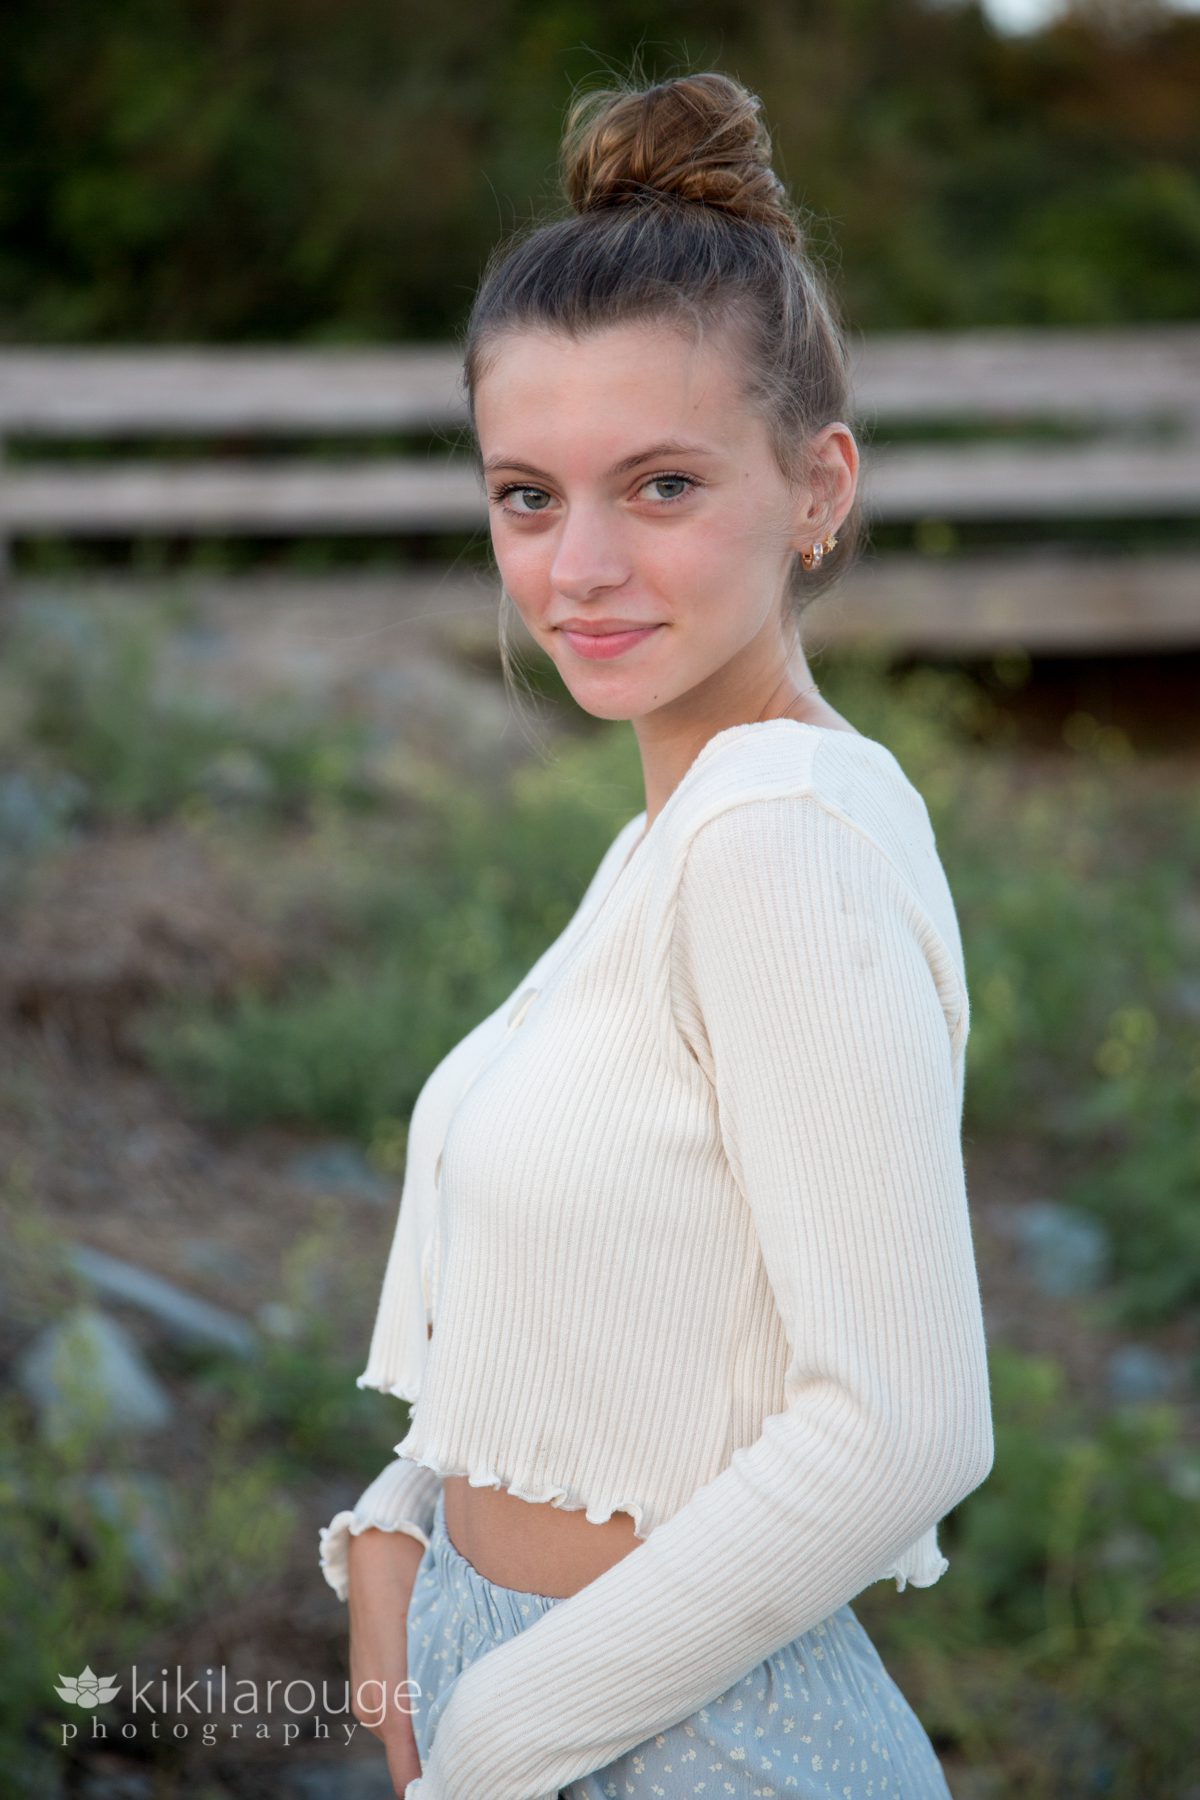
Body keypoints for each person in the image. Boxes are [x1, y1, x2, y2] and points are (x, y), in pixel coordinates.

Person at [318, 68, 995, 1800]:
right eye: (528, 496)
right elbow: (642, 1295)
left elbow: (902, 1430)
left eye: (665, 486)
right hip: (546, 1699)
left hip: (687, 1748)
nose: (579, 569)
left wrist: (505, 1734)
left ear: (819, 485)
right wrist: (405, 1527)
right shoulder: (682, 834)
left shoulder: (778, 838)